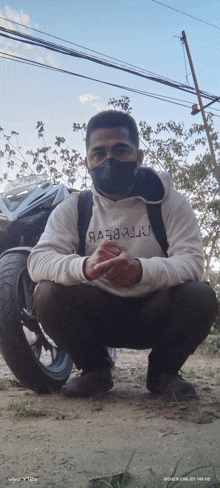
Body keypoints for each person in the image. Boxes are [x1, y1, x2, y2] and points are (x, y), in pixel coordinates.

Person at [27, 110, 218, 400]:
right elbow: (38, 260)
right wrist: (85, 266)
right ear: (87, 161)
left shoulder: (171, 203)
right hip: (98, 316)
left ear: (139, 157)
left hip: (156, 313)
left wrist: (141, 270)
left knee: (200, 295)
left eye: (120, 150)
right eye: (99, 153)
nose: (109, 160)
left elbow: (192, 261)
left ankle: (163, 374)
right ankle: (94, 371)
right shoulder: (74, 207)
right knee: (46, 294)